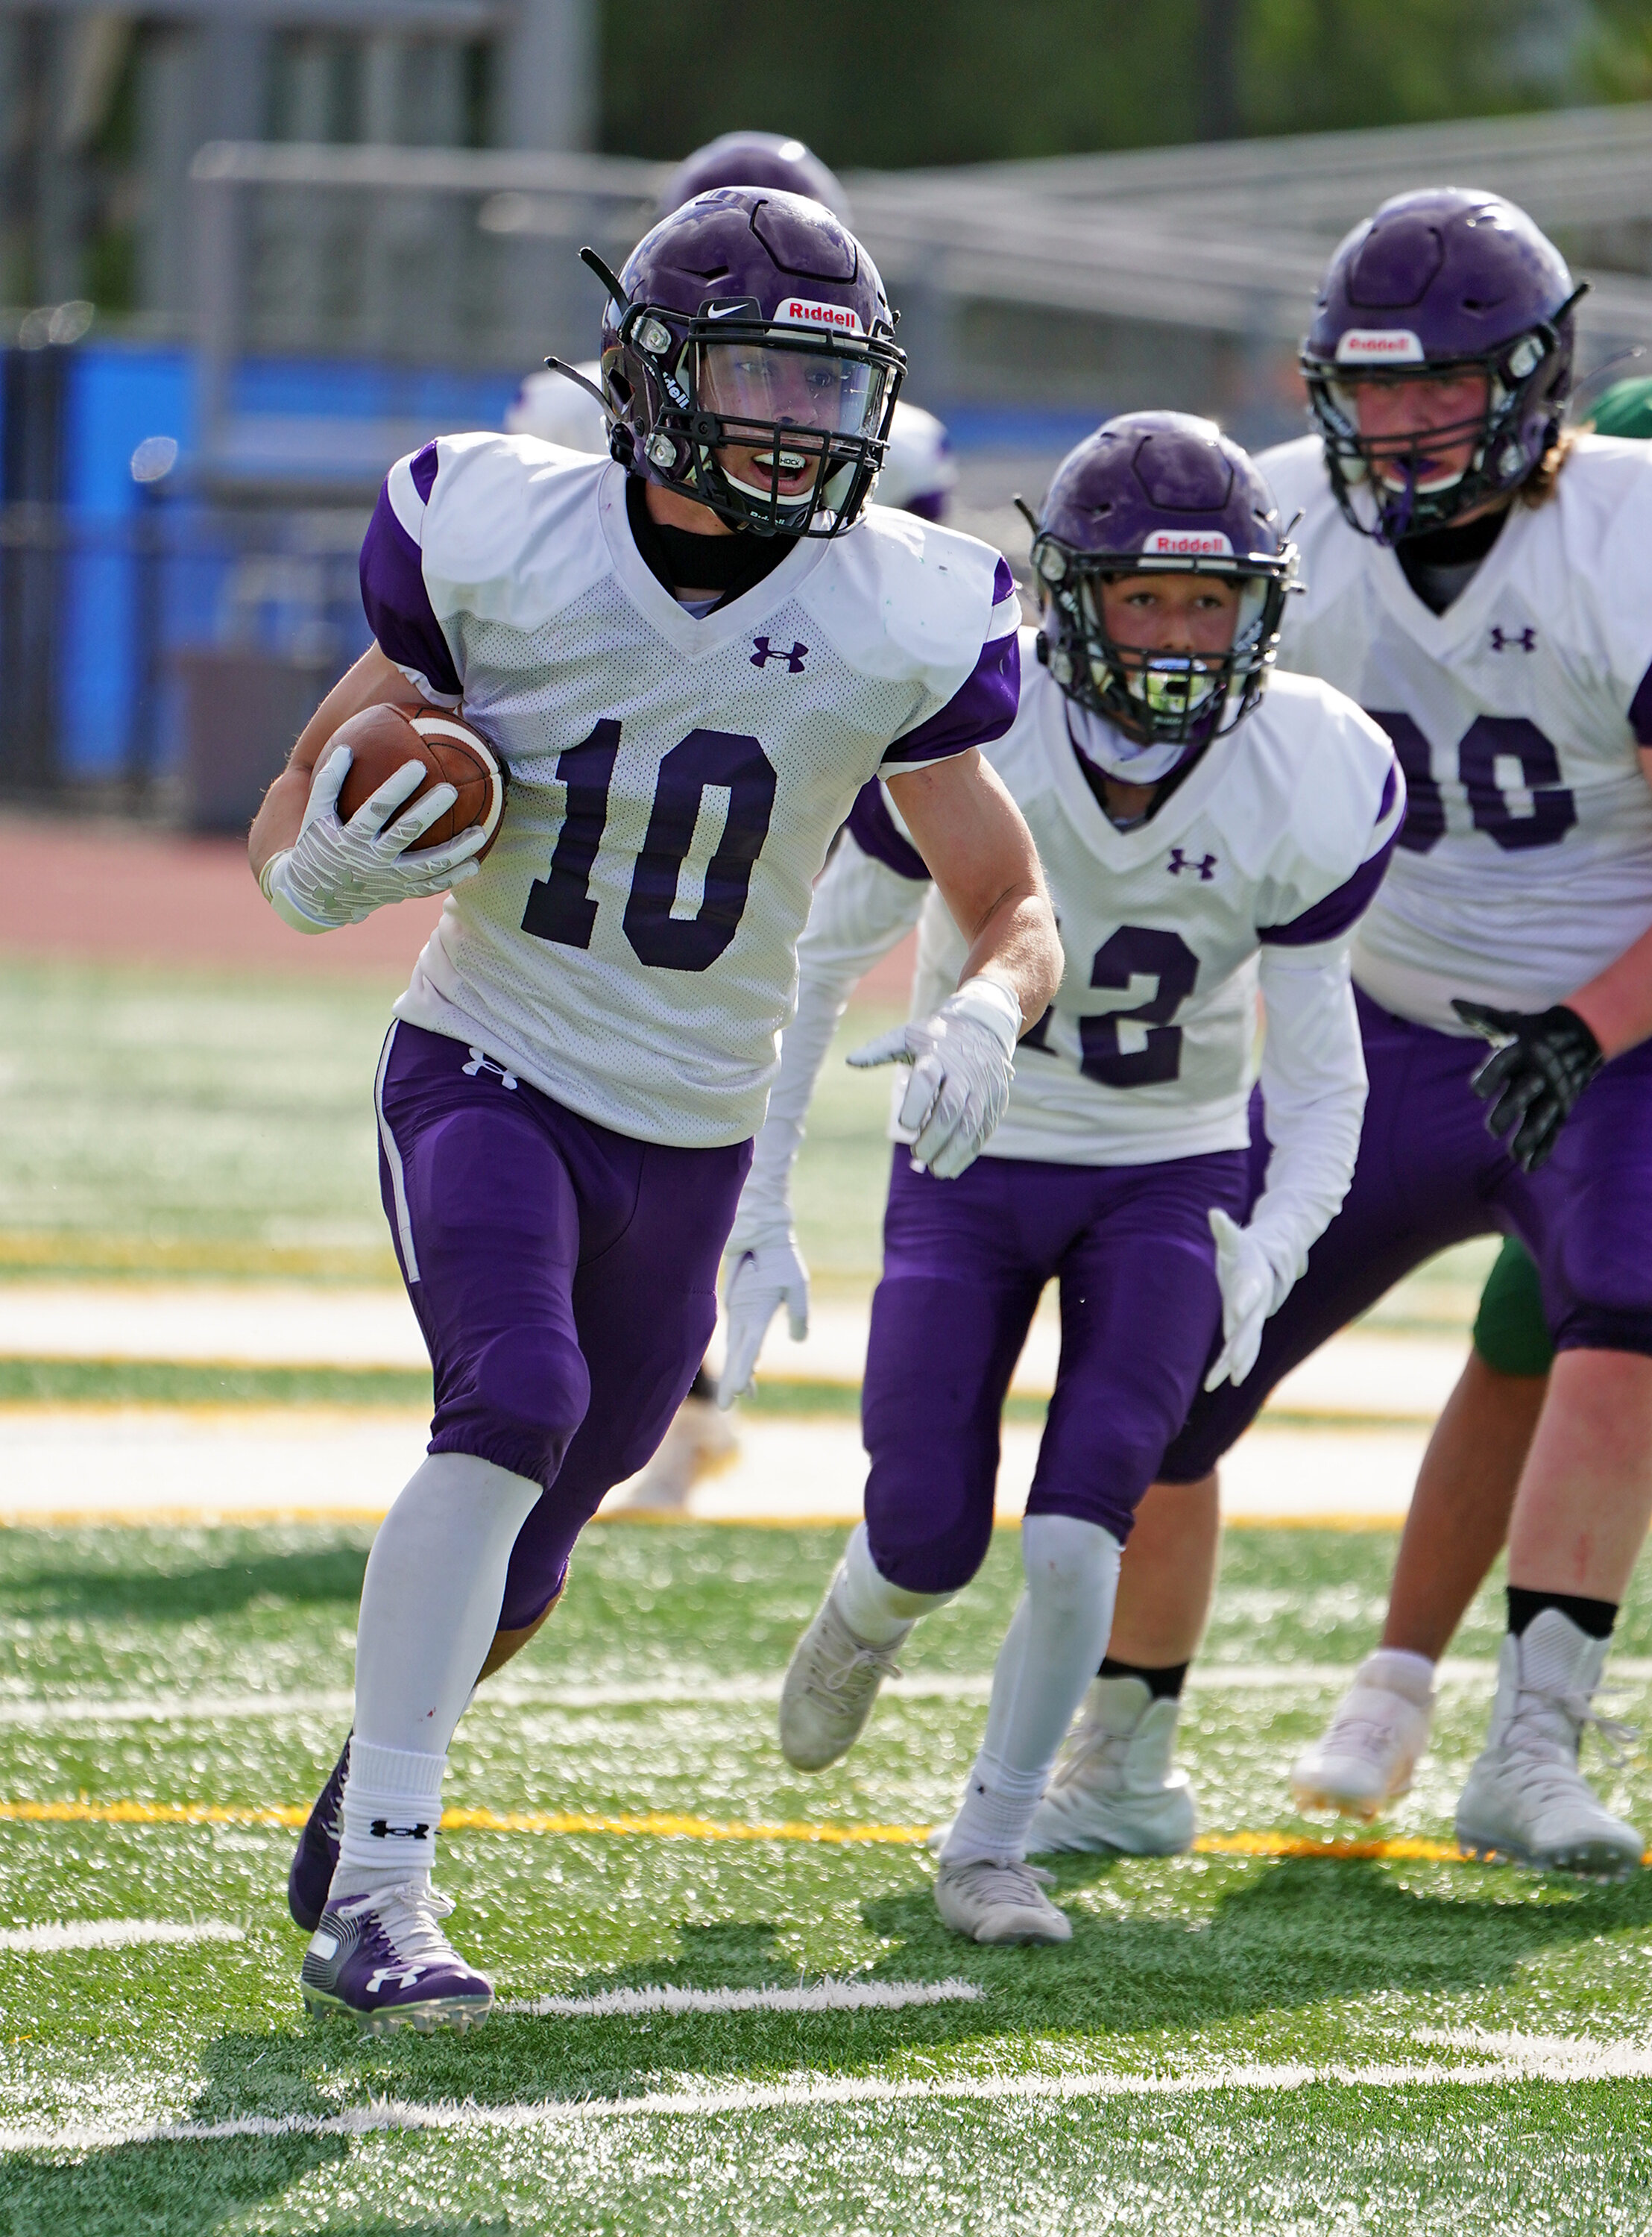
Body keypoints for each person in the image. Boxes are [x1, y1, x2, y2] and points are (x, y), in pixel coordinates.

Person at [250, 183, 1059, 2030]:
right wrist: (306, 875)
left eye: (823, 381)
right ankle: (384, 1889)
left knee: (545, 1532)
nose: (795, 418)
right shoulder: (495, 535)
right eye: (758, 373)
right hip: (488, 1057)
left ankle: (364, 1800)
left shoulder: (902, 606)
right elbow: (307, 778)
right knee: (511, 1398)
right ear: (650, 379)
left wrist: (993, 1014)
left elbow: (1007, 900)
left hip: (688, 1128)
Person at [726, 409, 1402, 1944]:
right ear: (1072, 599)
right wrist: (759, 1203)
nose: (1176, 634)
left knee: (1085, 1511)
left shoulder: (1311, 761)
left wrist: (1280, 1235)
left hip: (1166, 1169)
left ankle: (993, 1836)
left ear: (1261, 609)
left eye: (1208, 601)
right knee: (927, 1531)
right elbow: (816, 964)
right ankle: (865, 1612)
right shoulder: (986, 717)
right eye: (1144, 599)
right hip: (972, 1160)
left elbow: (1319, 1067)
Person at [1107, 188, 1652, 1876]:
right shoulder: (1270, 526)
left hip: (1611, 1029)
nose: (1405, 424)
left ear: (1534, 380)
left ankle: (1529, 1742)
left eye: (1444, 386)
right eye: (1375, 385)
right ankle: (1113, 1747)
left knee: (1630, 1308)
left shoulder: (1625, 528)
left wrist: (1586, 1024)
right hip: (1384, 1026)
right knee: (1176, 1349)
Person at [508, 129, 956, 1508]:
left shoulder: (904, 446)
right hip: (588, 777)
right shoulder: (545, 422)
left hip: (774, 780)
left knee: (718, 1062)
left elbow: (877, 635)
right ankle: (536, 1348)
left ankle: (662, 1370)